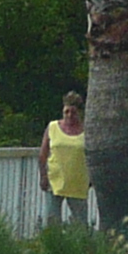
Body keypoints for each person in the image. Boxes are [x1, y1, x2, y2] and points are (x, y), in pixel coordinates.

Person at [40, 91, 89, 226]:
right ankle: (53, 245)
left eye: (73, 112)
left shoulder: (87, 130)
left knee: (80, 223)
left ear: (79, 112)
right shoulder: (52, 127)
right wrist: (43, 175)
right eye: (66, 112)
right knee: (52, 221)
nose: (69, 116)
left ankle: (81, 246)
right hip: (54, 179)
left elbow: (92, 155)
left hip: (78, 181)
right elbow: (43, 154)